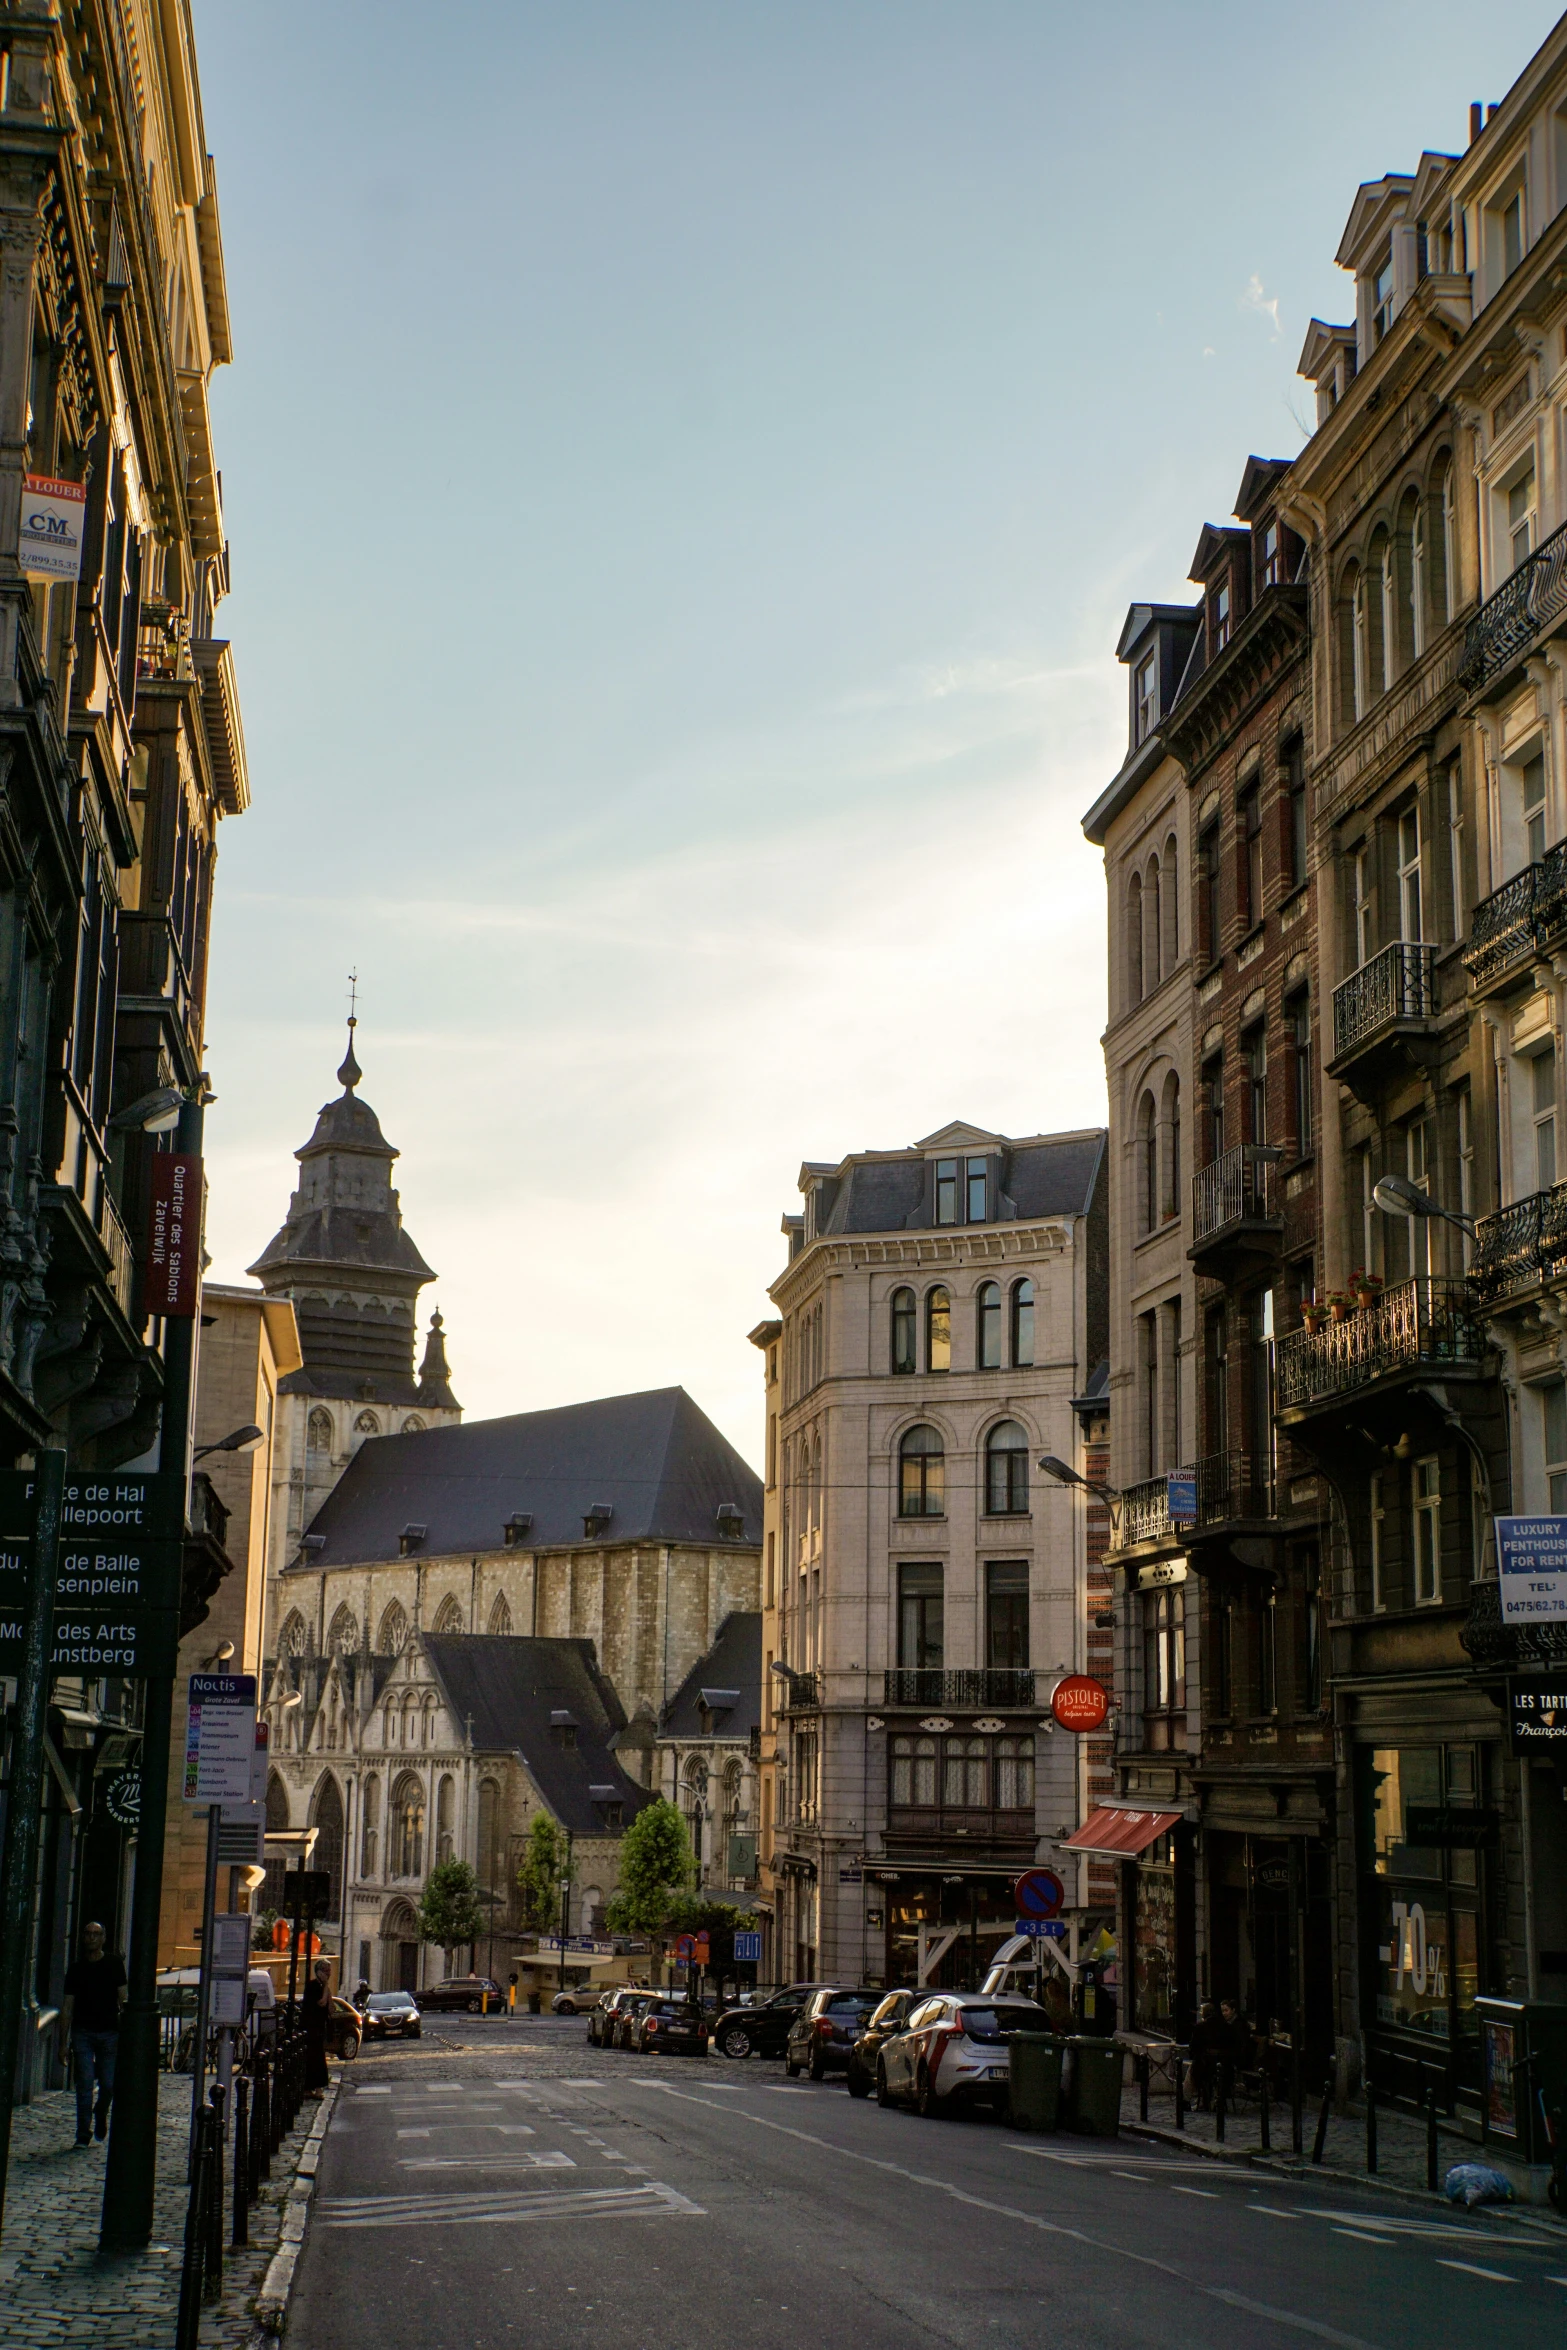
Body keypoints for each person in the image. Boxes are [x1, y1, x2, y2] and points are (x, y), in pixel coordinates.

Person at [58, 1920, 126, 2147]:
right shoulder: (76, 1970)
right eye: (88, 1934)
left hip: (109, 2032)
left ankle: (100, 2111)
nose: (92, 1938)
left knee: (108, 2084)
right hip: (83, 2032)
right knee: (85, 2083)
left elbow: (123, 1999)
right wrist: (63, 2042)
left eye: (96, 1934)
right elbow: (67, 2006)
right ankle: (82, 2133)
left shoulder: (114, 1964)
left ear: (104, 1938)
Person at [1185, 2000, 1225, 2110]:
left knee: (1190, 2073)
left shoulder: (1201, 2027)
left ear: (1204, 2014)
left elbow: (1193, 2046)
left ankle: (1185, 2100)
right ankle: (1211, 2100)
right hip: (1223, 2065)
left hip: (1204, 2066)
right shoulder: (1225, 2026)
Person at [302, 1957, 332, 2093]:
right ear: (319, 1972)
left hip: (320, 2027)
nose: (328, 1974)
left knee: (319, 2058)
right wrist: (326, 1987)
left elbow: (331, 2008)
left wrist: (328, 1991)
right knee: (314, 2058)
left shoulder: (324, 1987)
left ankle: (317, 2088)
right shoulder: (312, 1986)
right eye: (326, 1971)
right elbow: (321, 2003)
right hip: (311, 2027)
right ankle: (312, 2089)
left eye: (329, 1971)